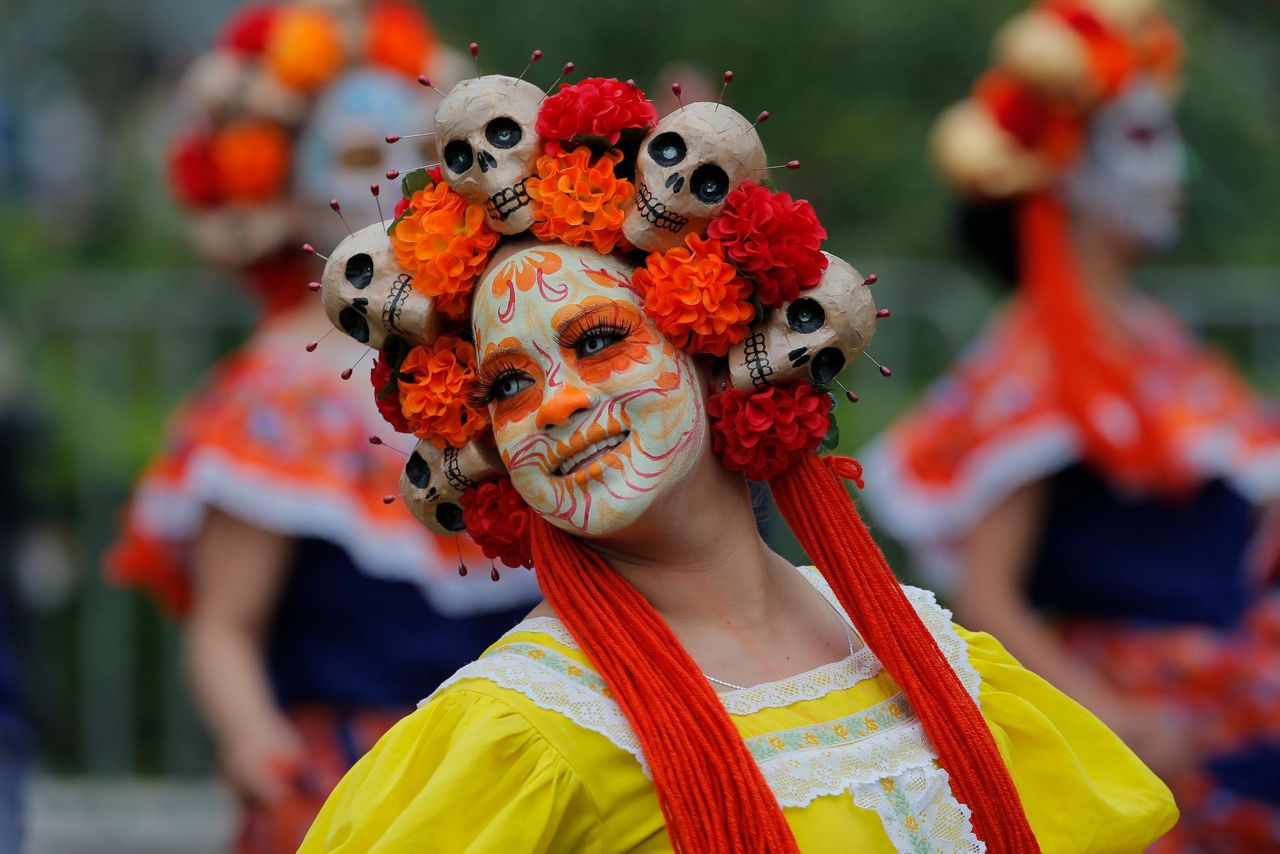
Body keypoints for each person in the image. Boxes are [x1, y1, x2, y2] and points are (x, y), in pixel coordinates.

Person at [296, 54, 1176, 853]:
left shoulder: (929, 655)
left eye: (599, 340)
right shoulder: (521, 737)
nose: (557, 405)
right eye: (509, 386)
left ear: (715, 349)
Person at [106, 4, 536, 851]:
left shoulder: (506, 347)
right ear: (276, 184)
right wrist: (252, 740)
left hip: (519, 765)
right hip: (350, 783)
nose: (388, 179)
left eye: (416, 153)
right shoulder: (271, 397)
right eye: (349, 157)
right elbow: (226, 624)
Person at [861, 1, 1280, 848]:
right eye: (1140, 138)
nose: (1179, 165)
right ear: (1060, 166)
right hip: (1168, 748)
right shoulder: (1037, 363)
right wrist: (1124, 721)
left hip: (1242, 716)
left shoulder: (1151, 335)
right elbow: (986, 592)